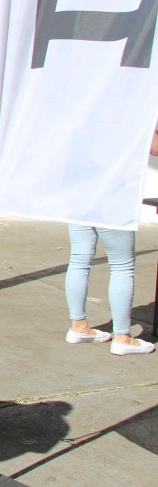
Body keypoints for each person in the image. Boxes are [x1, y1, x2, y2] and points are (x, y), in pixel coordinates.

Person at [63, 130, 158, 355]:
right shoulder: (129, 109)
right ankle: (123, 337)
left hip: (79, 188)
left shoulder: (90, 104)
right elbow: (155, 147)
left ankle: (79, 326)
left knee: (78, 259)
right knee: (122, 265)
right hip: (112, 193)